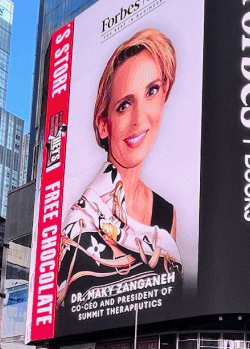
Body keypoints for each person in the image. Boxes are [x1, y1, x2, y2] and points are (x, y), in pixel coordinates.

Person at [57, 30, 182, 324]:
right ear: (104, 125)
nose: (140, 118)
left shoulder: (167, 213)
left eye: (151, 91)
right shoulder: (81, 222)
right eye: (124, 105)